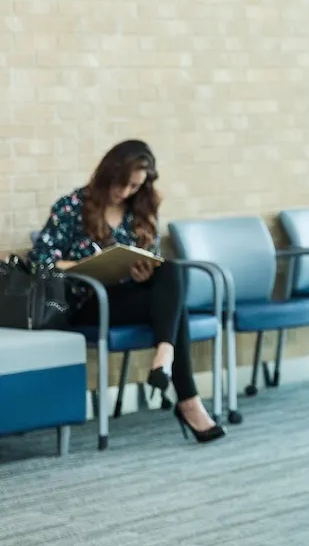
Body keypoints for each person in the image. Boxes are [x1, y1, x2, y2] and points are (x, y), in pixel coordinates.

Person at [31, 140, 227, 444]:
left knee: (171, 270)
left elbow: (154, 258)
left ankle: (165, 355)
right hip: (85, 300)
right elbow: (40, 260)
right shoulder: (73, 205)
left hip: (124, 296)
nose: (124, 192)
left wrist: (141, 272)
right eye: (121, 184)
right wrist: (83, 265)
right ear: (108, 173)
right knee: (177, 312)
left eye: (134, 186)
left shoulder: (141, 210)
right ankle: (187, 399)